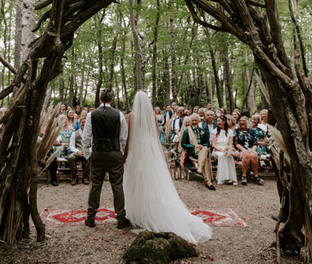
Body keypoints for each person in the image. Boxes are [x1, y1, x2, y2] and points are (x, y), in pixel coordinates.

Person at [123, 91, 212, 244]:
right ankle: (146, 211)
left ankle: (138, 214)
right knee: (151, 181)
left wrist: (126, 154)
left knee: (136, 182)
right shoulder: (151, 116)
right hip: (149, 150)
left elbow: (130, 137)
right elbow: (156, 135)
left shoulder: (132, 116)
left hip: (137, 150)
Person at [82, 89, 129, 229]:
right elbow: (124, 138)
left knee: (95, 185)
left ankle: (90, 218)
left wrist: (87, 155)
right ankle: (120, 218)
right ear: (112, 100)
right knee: (117, 185)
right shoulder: (119, 115)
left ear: (99, 98)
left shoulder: (91, 115)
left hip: (97, 153)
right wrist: (124, 155)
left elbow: (86, 138)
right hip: (114, 153)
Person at [181, 113, 215, 191]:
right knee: (205, 159)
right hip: (192, 152)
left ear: (199, 121)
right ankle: (208, 181)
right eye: (192, 120)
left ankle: (200, 169)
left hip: (202, 150)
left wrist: (201, 146)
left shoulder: (202, 131)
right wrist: (194, 146)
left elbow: (207, 143)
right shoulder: (187, 131)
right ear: (190, 121)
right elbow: (183, 144)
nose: (194, 122)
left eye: (196, 120)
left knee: (205, 148)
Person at [234, 116, 264, 185]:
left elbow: (255, 143)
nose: (242, 122)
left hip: (251, 149)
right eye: (240, 121)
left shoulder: (252, 131)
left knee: (254, 155)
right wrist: (244, 150)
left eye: (243, 121)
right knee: (246, 155)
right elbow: (236, 144)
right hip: (241, 150)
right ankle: (244, 176)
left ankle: (256, 176)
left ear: (247, 122)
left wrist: (253, 150)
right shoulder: (237, 131)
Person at [212, 116, 237, 185]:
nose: (218, 122)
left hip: (226, 149)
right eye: (217, 121)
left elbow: (230, 144)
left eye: (219, 121)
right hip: (217, 150)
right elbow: (213, 144)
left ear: (224, 121)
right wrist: (219, 149)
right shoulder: (214, 131)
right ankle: (223, 178)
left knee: (229, 156)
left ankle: (231, 178)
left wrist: (229, 150)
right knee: (222, 155)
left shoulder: (230, 131)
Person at [68, 117, 90, 185]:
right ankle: (75, 177)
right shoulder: (75, 133)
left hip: (87, 152)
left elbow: (92, 145)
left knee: (92, 157)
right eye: (82, 122)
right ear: (79, 123)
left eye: (85, 122)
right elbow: (71, 146)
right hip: (78, 152)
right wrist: (78, 151)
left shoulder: (90, 133)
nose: (84, 123)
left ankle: (85, 177)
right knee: (70, 158)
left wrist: (88, 151)